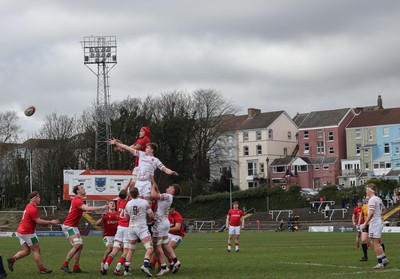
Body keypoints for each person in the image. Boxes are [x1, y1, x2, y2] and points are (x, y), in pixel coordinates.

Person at [108, 139, 178, 202]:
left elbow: (164, 168)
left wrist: (171, 172)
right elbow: (128, 148)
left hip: (147, 183)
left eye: (147, 148)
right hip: (138, 182)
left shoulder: (156, 160)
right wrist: (117, 143)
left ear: (152, 150)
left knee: (146, 203)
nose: (145, 149)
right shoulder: (141, 154)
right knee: (137, 201)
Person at [7, 191, 59, 274]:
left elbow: (35, 221)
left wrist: (43, 224)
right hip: (28, 233)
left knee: (27, 251)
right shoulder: (32, 208)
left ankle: (12, 259)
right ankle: (42, 269)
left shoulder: (29, 206)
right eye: (39, 197)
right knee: (36, 250)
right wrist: (51, 222)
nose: (40, 199)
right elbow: (38, 221)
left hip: (21, 231)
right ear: (35, 198)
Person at [60, 185, 108, 273]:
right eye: (81, 188)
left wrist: (88, 209)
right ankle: (64, 264)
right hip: (69, 226)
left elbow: (83, 209)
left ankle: (76, 267)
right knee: (77, 245)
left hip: (73, 226)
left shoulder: (79, 200)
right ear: (78, 191)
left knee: (80, 246)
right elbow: (86, 208)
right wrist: (101, 207)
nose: (84, 188)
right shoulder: (77, 200)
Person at [150, 182, 182, 276]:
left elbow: (153, 195)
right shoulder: (168, 197)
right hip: (165, 222)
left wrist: (152, 186)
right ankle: (175, 261)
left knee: (157, 246)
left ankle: (163, 267)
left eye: (169, 187)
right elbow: (158, 194)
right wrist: (155, 185)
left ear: (173, 190)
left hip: (160, 223)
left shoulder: (168, 196)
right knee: (165, 244)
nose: (167, 187)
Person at [124, 187, 155, 277]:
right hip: (141, 228)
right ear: (138, 193)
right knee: (150, 248)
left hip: (131, 228)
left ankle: (126, 270)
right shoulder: (144, 202)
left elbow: (126, 218)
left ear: (130, 194)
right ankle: (145, 266)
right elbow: (151, 215)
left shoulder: (128, 204)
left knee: (131, 250)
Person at [101, 189, 130, 276]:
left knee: (115, 250)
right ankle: (117, 268)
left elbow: (123, 193)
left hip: (119, 228)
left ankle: (105, 267)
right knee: (126, 251)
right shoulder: (129, 203)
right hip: (126, 228)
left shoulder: (118, 202)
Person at [363, 183, 388, 269]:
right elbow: (384, 209)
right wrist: (379, 215)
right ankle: (384, 259)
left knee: (375, 243)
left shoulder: (372, 200)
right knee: (375, 242)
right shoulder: (378, 199)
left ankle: (380, 263)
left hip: (375, 223)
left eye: (367, 189)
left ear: (370, 190)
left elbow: (371, 213)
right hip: (378, 222)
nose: (366, 191)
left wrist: (365, 223)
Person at [96, 200, 119, 272]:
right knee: (110, 247)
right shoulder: (105, 214)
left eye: (113, 203)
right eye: (111, 203)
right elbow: (97, 224)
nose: (113, 204)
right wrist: (102, 218)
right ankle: (103, 264)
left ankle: (124, 266)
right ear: (108, 205)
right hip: (107, 236)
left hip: (116, 236)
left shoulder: (118, 214)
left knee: (122, 249)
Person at [358, 196, 371, 261]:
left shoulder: (373, 206)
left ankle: (383, 256)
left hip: (373, 225)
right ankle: (365, 256)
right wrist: (359, 223)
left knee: (377, 241)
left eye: (368, 199)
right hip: (366, 225)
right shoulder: (364, 207)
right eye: (366, 199)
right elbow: (361, 215)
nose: (367, 200)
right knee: (363, 240)